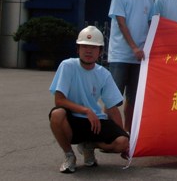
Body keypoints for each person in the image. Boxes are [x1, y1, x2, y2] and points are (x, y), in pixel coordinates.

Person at [49, 26, 129, 173]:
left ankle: (89, 146)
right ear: (78, 49)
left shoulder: (103, 74)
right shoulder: (67, 66)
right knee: (57, 114)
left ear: (100, 51)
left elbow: (112, 108)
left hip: (95, 122)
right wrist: (86, 110)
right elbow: (59, 100)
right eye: (85, 46)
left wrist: (122, 134)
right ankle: (69, 156)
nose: (88, 51)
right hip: (72, 121)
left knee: (122, 142)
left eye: (93, 47)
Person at [107, 0, 154, 132]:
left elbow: (151, 24)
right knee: (112, 98)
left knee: (133, 99)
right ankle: (109, 133)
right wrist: (134, 47)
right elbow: (121, 23)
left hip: (139, 57)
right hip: (120, 55)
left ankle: (128, 134)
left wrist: (146, 48)